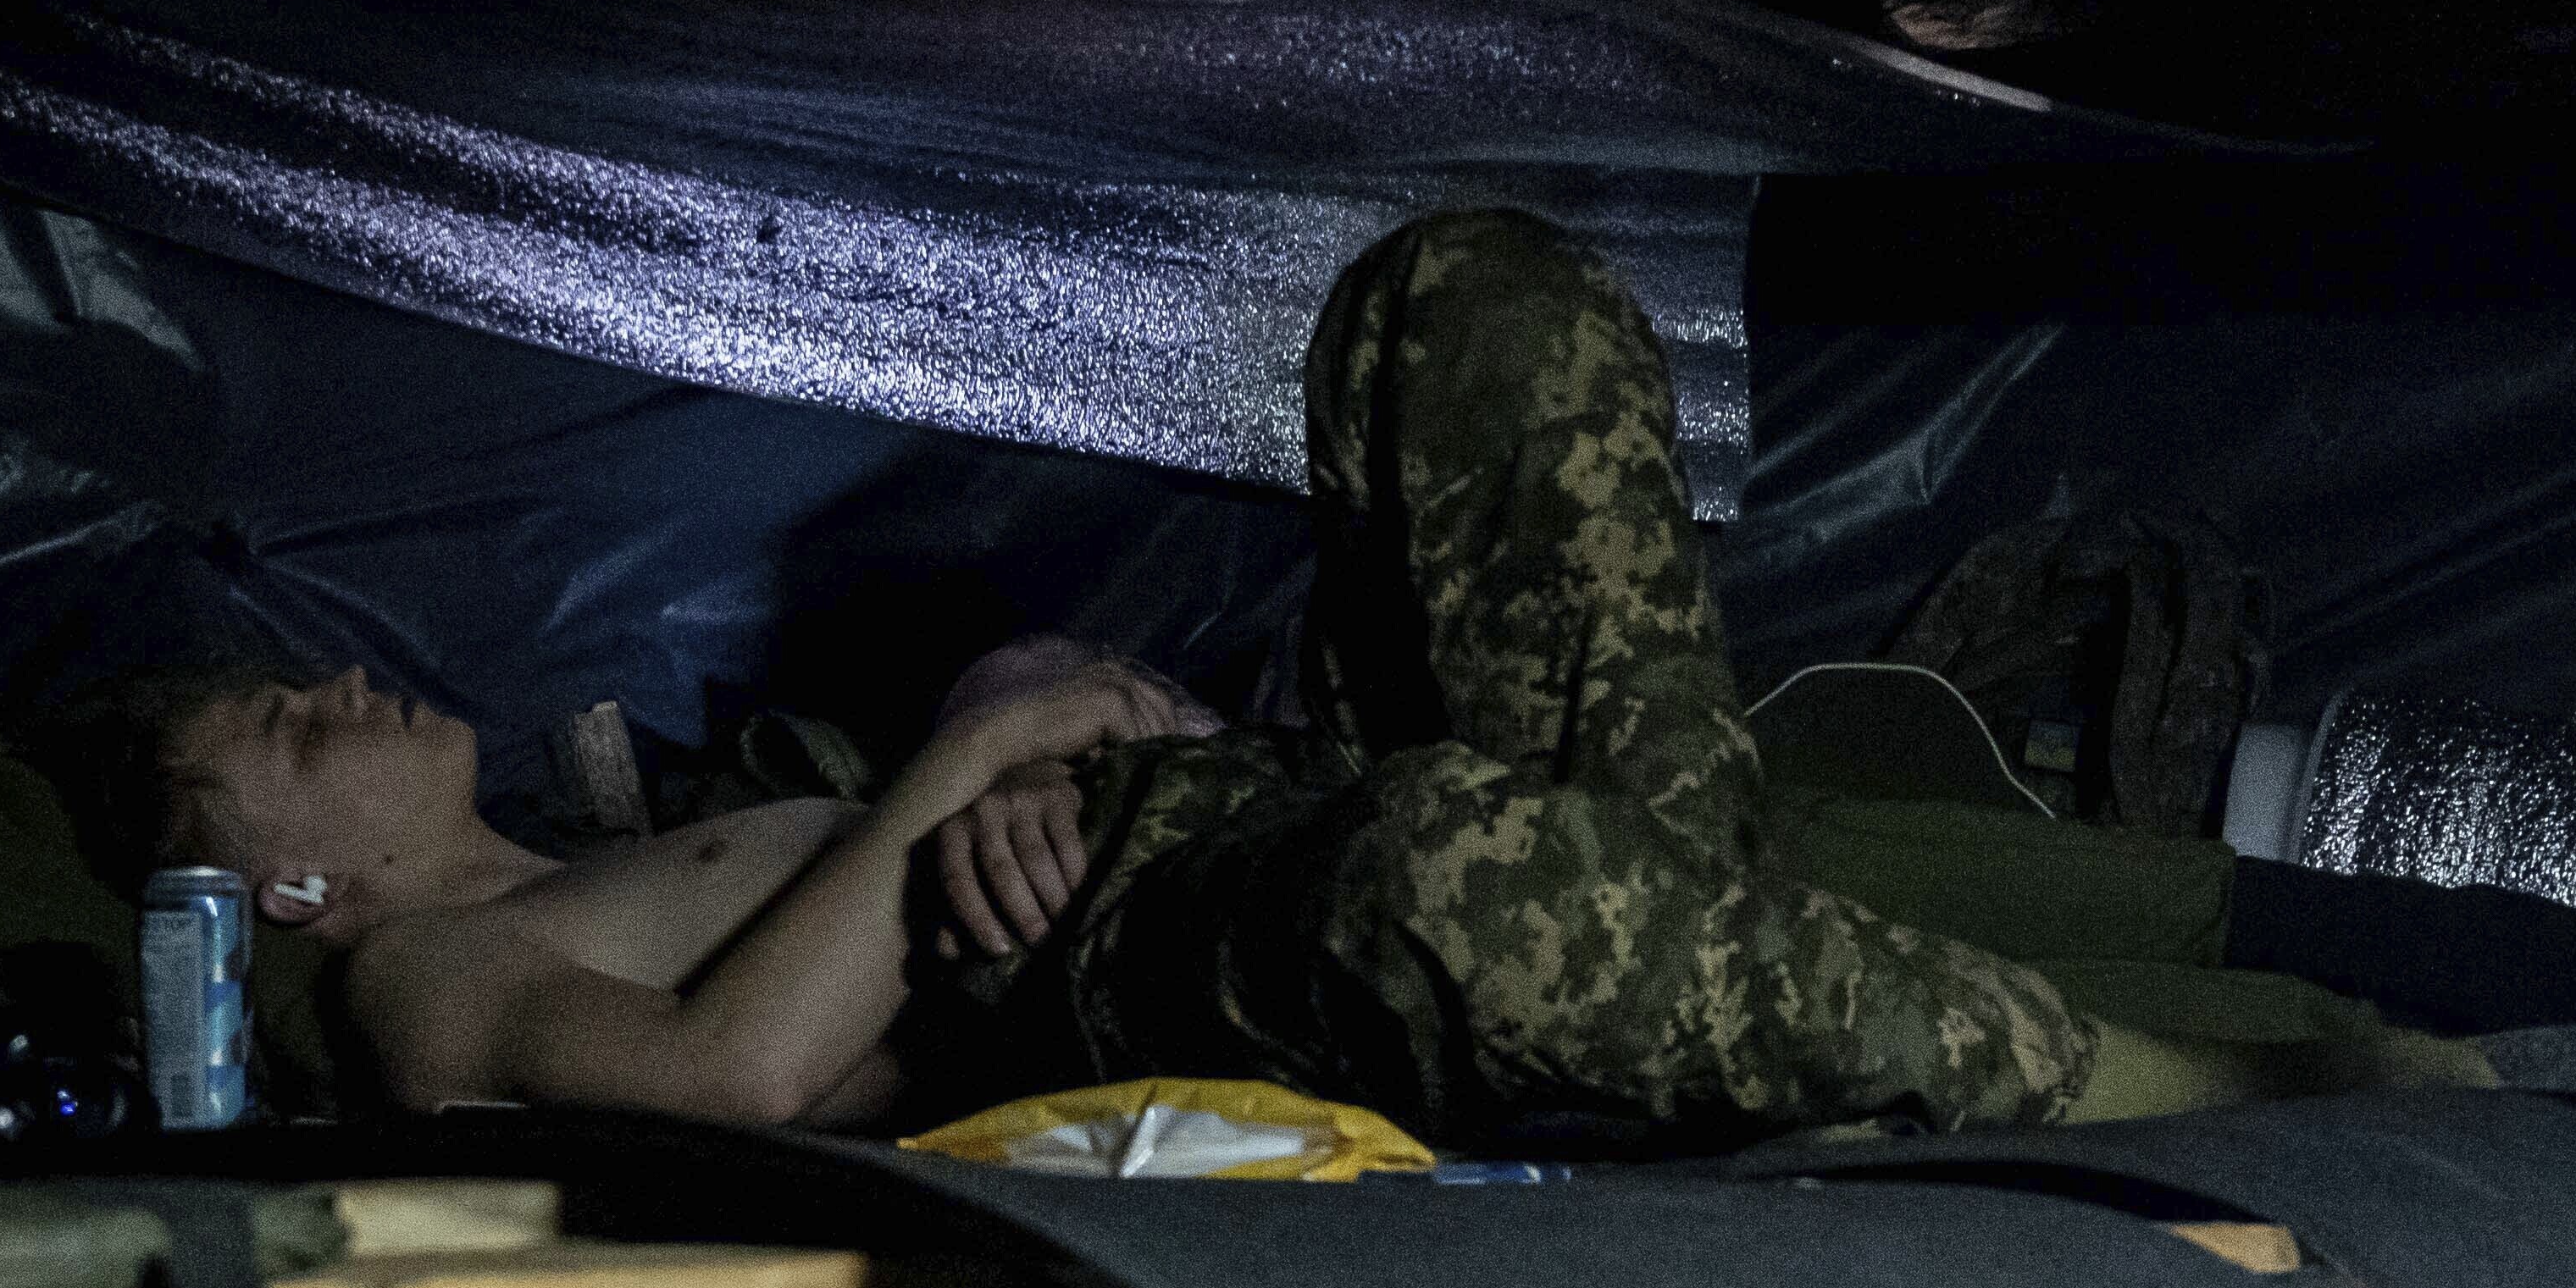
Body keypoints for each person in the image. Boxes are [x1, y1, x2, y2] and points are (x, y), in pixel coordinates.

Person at [933, 209, 2122, 1153]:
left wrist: (1023, 727)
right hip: (1100, 950)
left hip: (1247, 781)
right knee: (1453, 882)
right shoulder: (772, 829)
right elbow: (744, 1071)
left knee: (1458, 288)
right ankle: (2094, 1068)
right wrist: (974, 761)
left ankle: (1672, 963)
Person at [142, 637, 1198, 1125]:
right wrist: (983, 751)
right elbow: (736, 1074)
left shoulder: (558, 883)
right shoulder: (413, 975)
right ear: (298, 892)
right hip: (1141, 982)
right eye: (293, 731)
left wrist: (1016, 769)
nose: (346, 686)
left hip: (1127, 888)